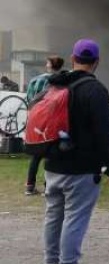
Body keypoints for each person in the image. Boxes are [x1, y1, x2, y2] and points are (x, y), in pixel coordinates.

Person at [42, 39, 109, 264]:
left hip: (53, 165)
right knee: (75, 218)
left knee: (54, 215)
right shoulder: (95, 90)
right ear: (96, 62)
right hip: (81, 168)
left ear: (73, 58)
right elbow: (104, 132)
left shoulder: (55, 85)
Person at [24, 56, 66, 195]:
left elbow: (29, 99)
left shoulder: (37, 80)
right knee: (50, 155)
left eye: (47, 62)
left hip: (36, 120)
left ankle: (29, 186)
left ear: (50, 65)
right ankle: (49, 186)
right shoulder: (62, 80)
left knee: (36, 156)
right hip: (51, 122)